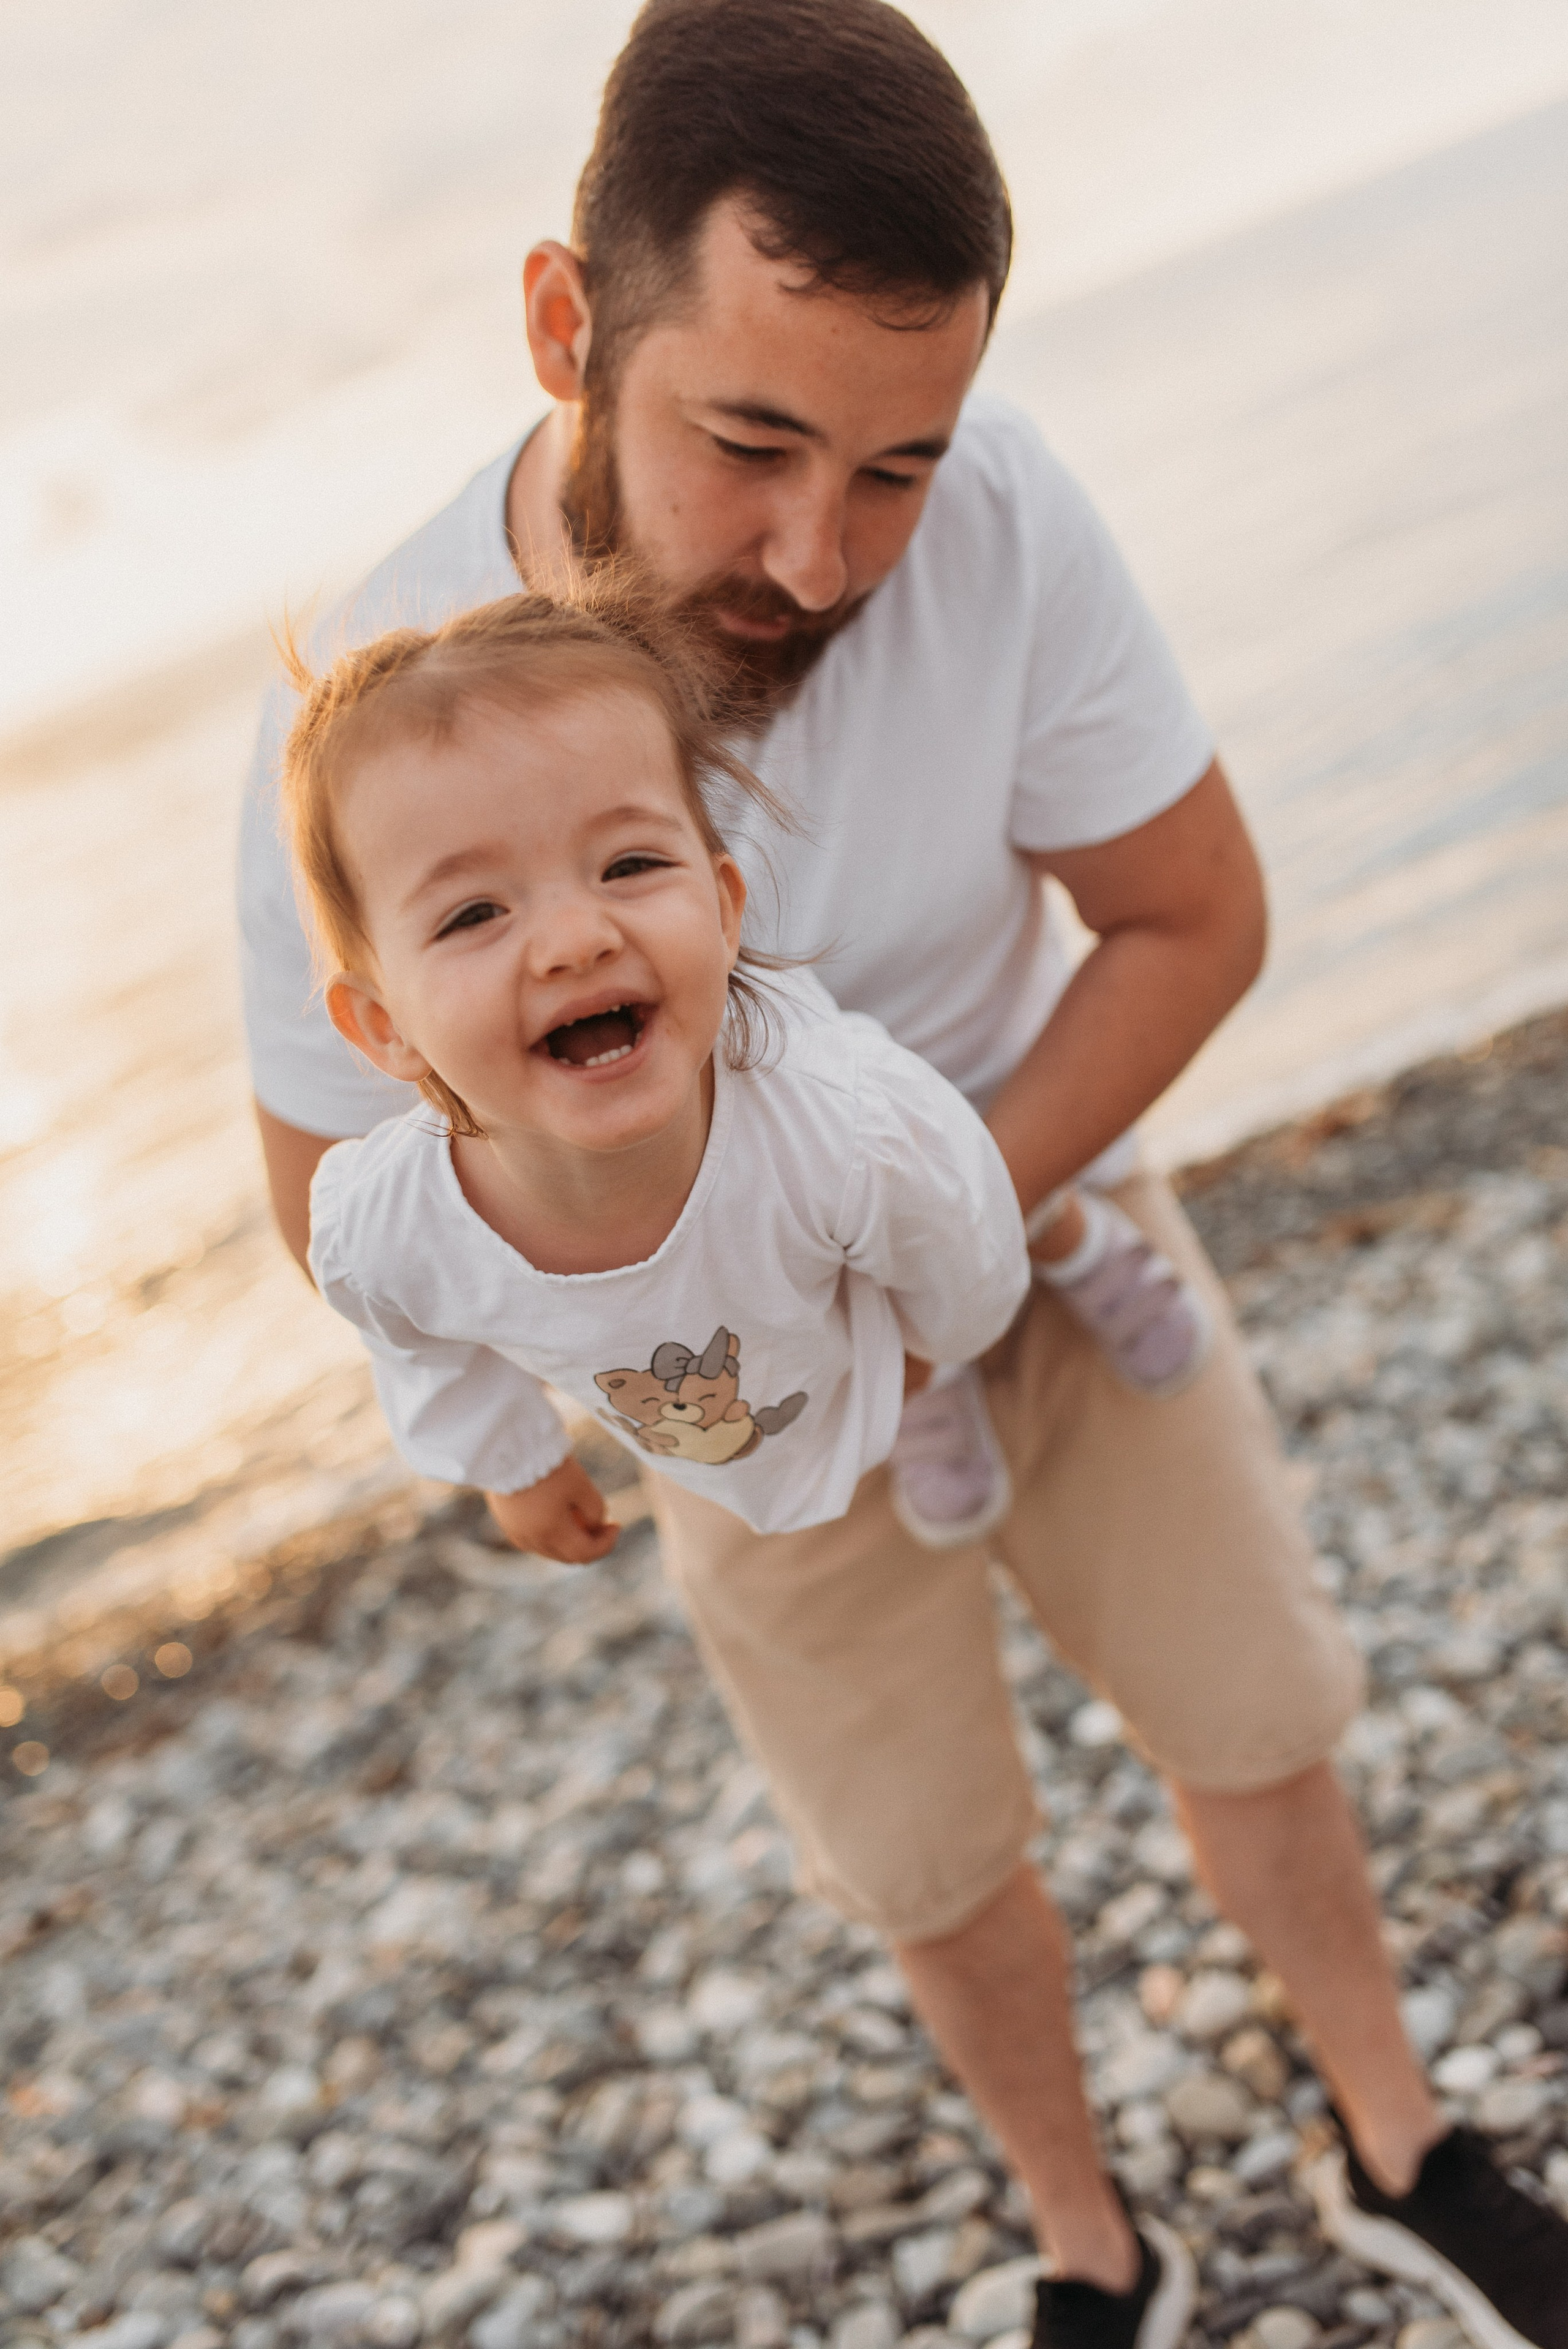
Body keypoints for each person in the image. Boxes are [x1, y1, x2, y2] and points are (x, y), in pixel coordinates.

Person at [238, 3, 1568, 2340]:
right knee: (931, 1854)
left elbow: (1196, 913)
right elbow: (338, 1180)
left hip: (1042, 1211)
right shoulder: (368, 711)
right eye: (747, 441)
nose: (824, 555)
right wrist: (550, 1400)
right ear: (570, 326)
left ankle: (1403, 2133)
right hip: (710, 1375)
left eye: (897, 468)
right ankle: (1087, 2235)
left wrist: (955, 1220)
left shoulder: (1015, 508)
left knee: (1260, 1702)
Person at [285, 584, 1030, 1545]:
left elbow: (961, 1231)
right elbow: (418, 1340)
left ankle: (1037, 1281)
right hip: (725, 1438)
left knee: (900, 1240)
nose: (575, 940)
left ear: (724, 908)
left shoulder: (840, 1130)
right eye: (475, 914)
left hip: (864, 1312)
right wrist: (516, 1464)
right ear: (385, 1025)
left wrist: (927, 1353)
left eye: (629, 864)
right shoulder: (390, 1228)